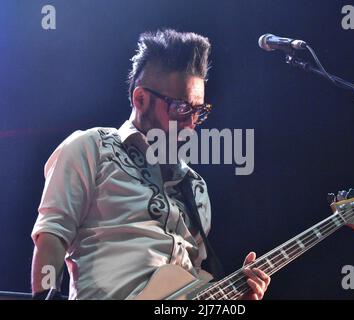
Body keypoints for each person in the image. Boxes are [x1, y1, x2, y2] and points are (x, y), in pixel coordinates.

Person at [31, 29, 270, 300]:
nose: (191, 124)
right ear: (140, 99)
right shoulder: (91, 147)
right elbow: (52, 234)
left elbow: (191, 290)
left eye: (198, 111)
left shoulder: (195, 186)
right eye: (181, 108)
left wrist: (235, 301)